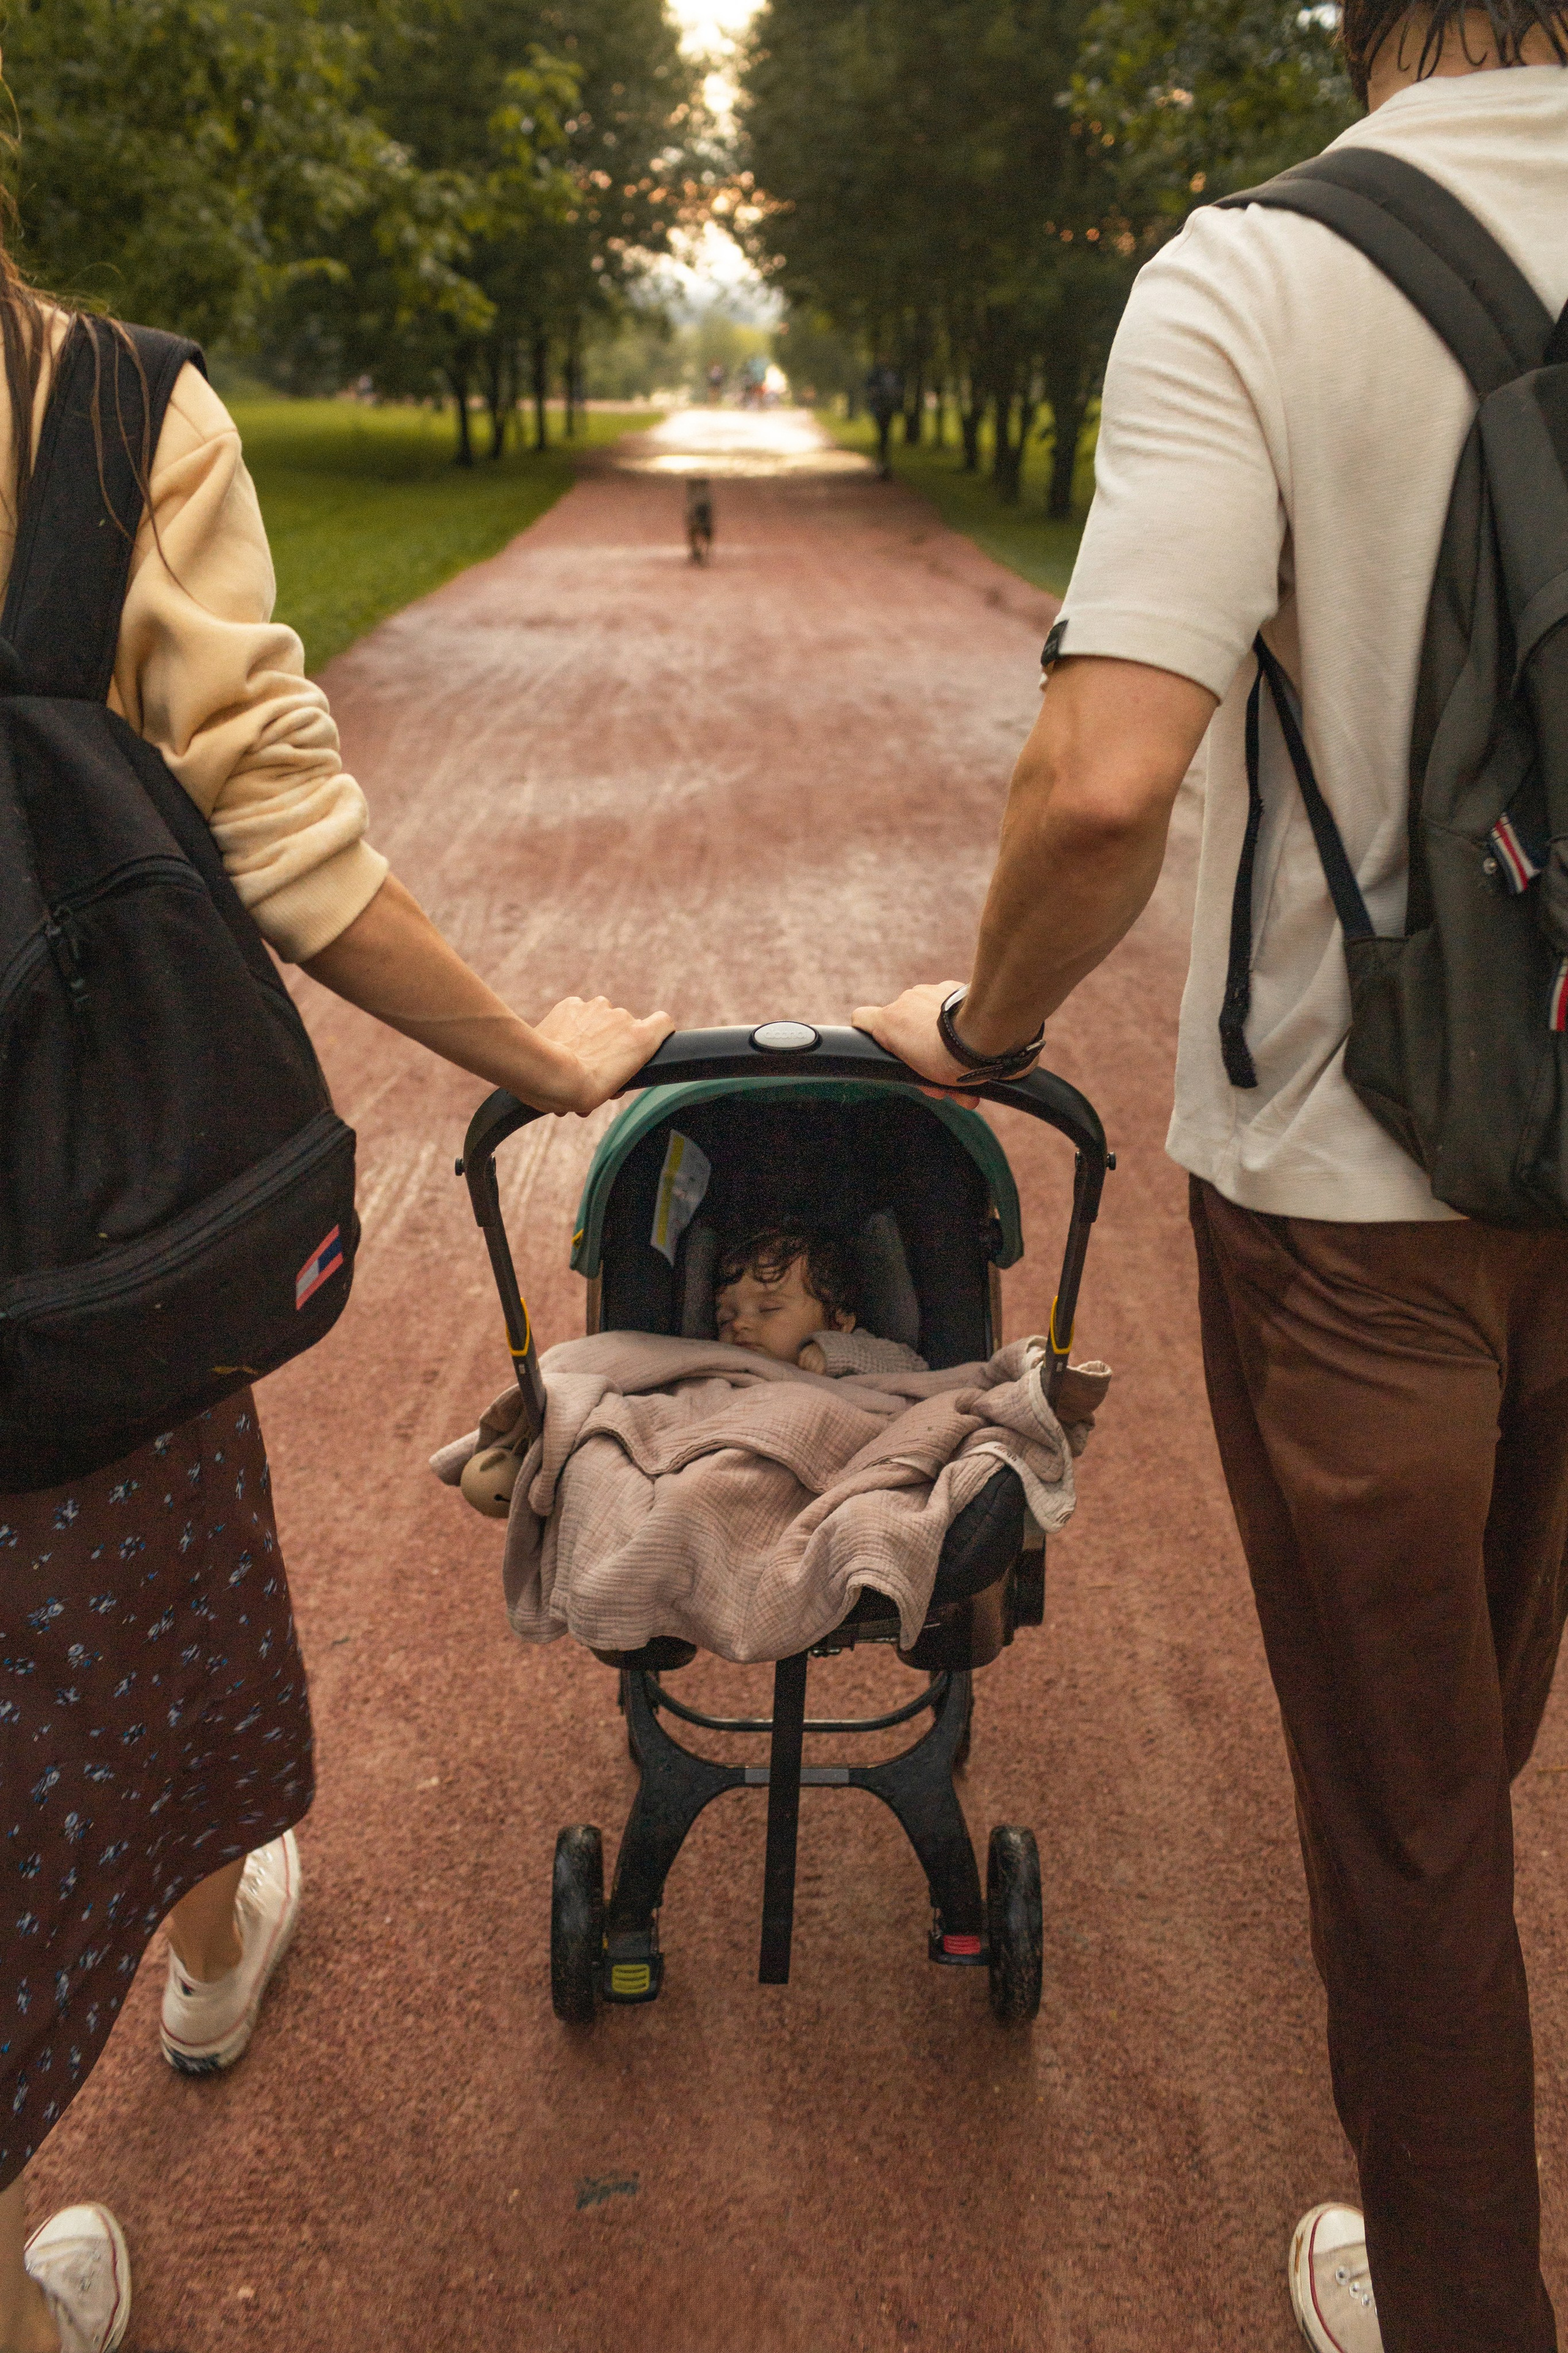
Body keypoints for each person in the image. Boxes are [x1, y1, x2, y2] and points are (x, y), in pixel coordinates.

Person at [854, 8, 1567, 2352]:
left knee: (1408, 1822)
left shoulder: (1259, 275)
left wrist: (977, 1038)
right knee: (1479, 1702)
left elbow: (1096, 783)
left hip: (1360, 1191)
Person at [0, 288, 671, 2349]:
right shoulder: (97, 412)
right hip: (64, 1260)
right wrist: (542, 1060)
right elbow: (282, 839)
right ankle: (204, 1958)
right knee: (154, 1606)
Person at [713, 1229, 925, 1375]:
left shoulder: (857, 1351)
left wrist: (837, 1353)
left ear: (839, 1323)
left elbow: (914, 1368)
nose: (738, 1324)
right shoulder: (718, 1371)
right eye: (725, 1319)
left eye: (769, 1309)